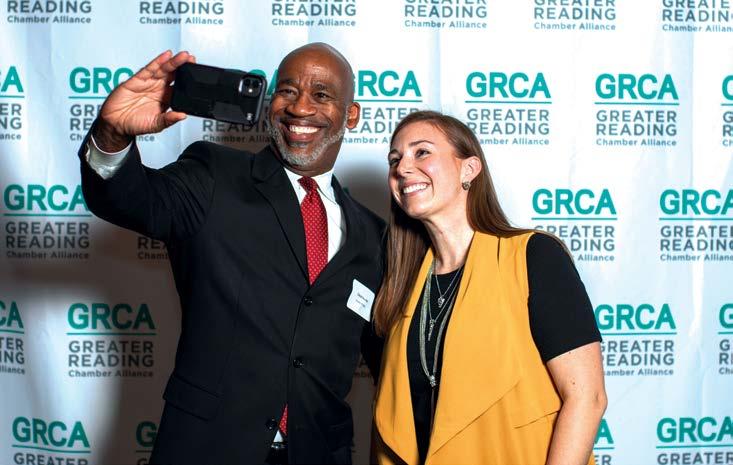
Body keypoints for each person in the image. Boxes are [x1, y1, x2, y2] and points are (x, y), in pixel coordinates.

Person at [77, 43, 385, 465]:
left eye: (321, 94)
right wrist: (113, 134)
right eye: (287, 90)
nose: (300, 108)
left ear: (351, 115)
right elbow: (129, 200)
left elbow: (393, 363)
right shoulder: (214, 174)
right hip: (207, 449)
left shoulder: (373, 236)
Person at [371, 111, 607, 465]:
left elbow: (587, 398)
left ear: (469, 169)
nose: (402, 168)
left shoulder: (533, 256)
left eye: (421, 152)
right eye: (394, 159)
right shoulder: (401, 285)